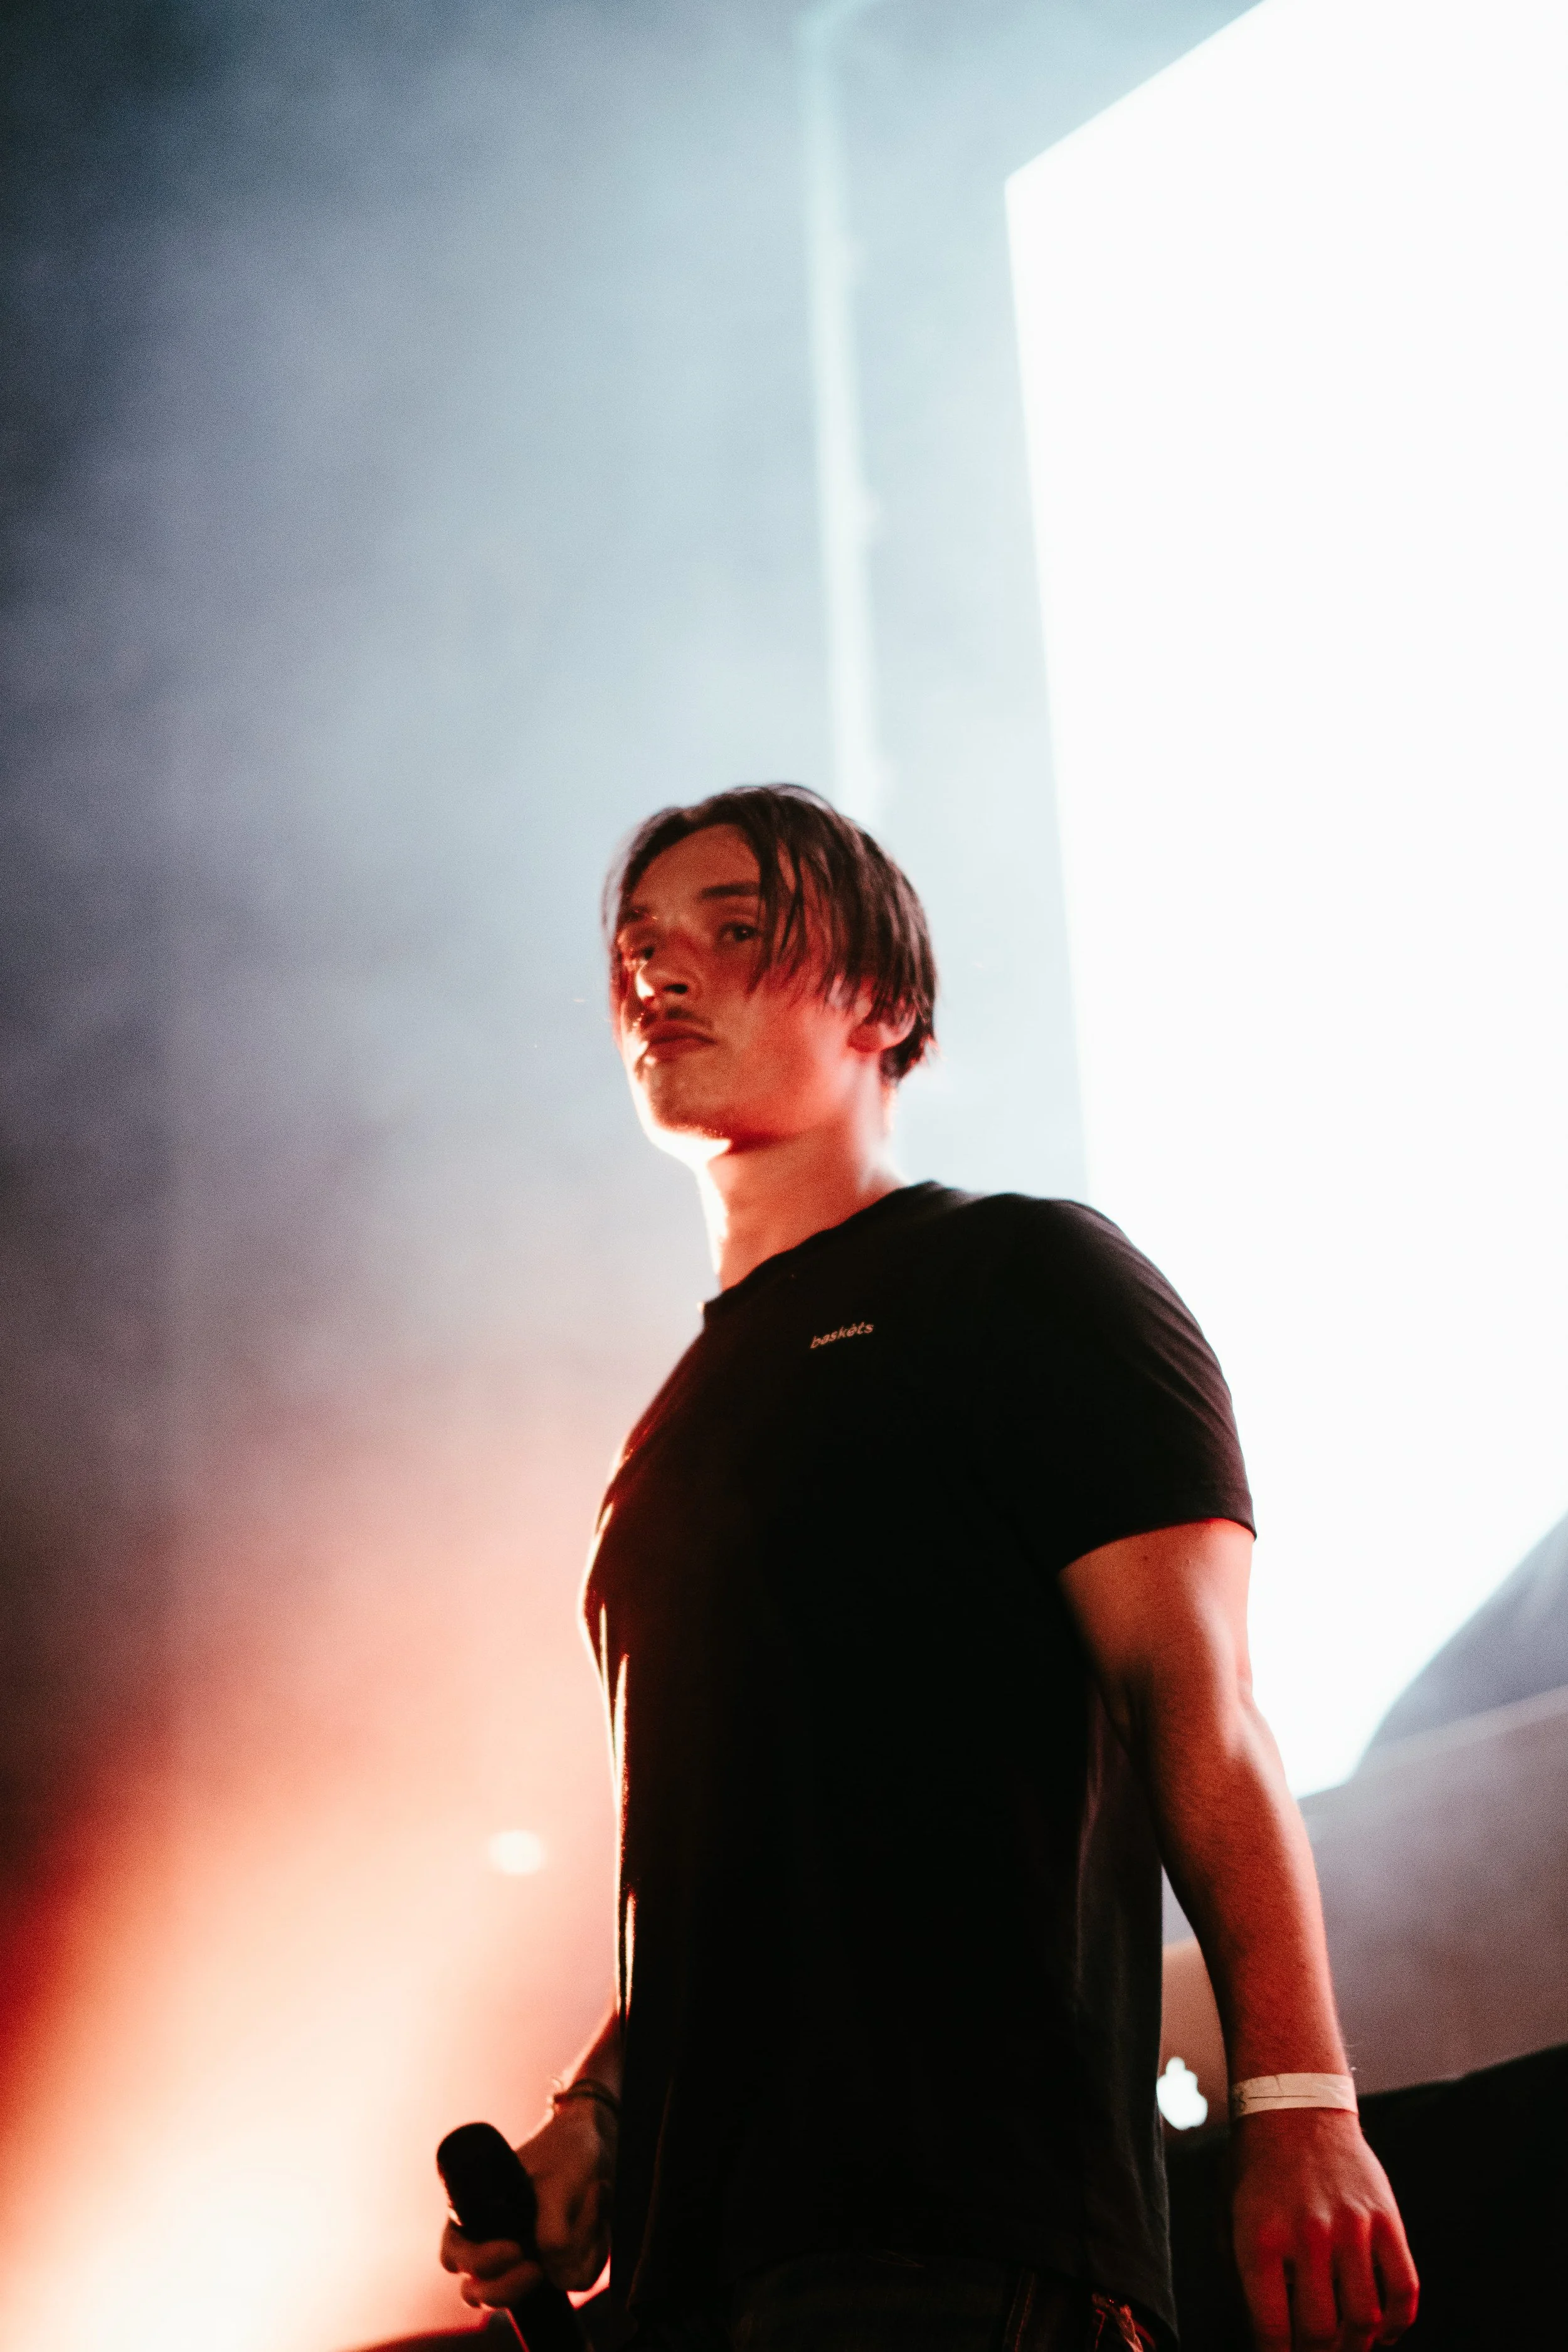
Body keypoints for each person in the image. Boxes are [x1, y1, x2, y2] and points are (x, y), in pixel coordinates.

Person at [442, 787, 1418, 2352]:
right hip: (705, 2281)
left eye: (734, 929)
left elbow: (1197, 1701)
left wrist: (1298, 2105)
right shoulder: (661, 1439)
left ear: (883, 1003)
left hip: (962, 2237)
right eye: (638, 948)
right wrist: (601, 2115)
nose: (662, 973)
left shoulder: (1022, 1277)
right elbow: (755, 1846)